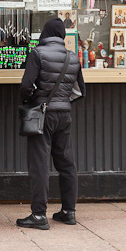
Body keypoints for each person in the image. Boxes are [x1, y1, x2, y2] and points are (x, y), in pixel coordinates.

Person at [17, 17, 85, 230]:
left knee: (39, 165)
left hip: (43, 114)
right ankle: (68, 211)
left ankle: (39, 215)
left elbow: (26, 86)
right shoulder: (73, 58)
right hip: (64, 114)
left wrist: (33, 100)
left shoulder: (37, 54)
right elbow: (80, 90)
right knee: (66, 163)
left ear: (45, 33)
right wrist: (62, 101)